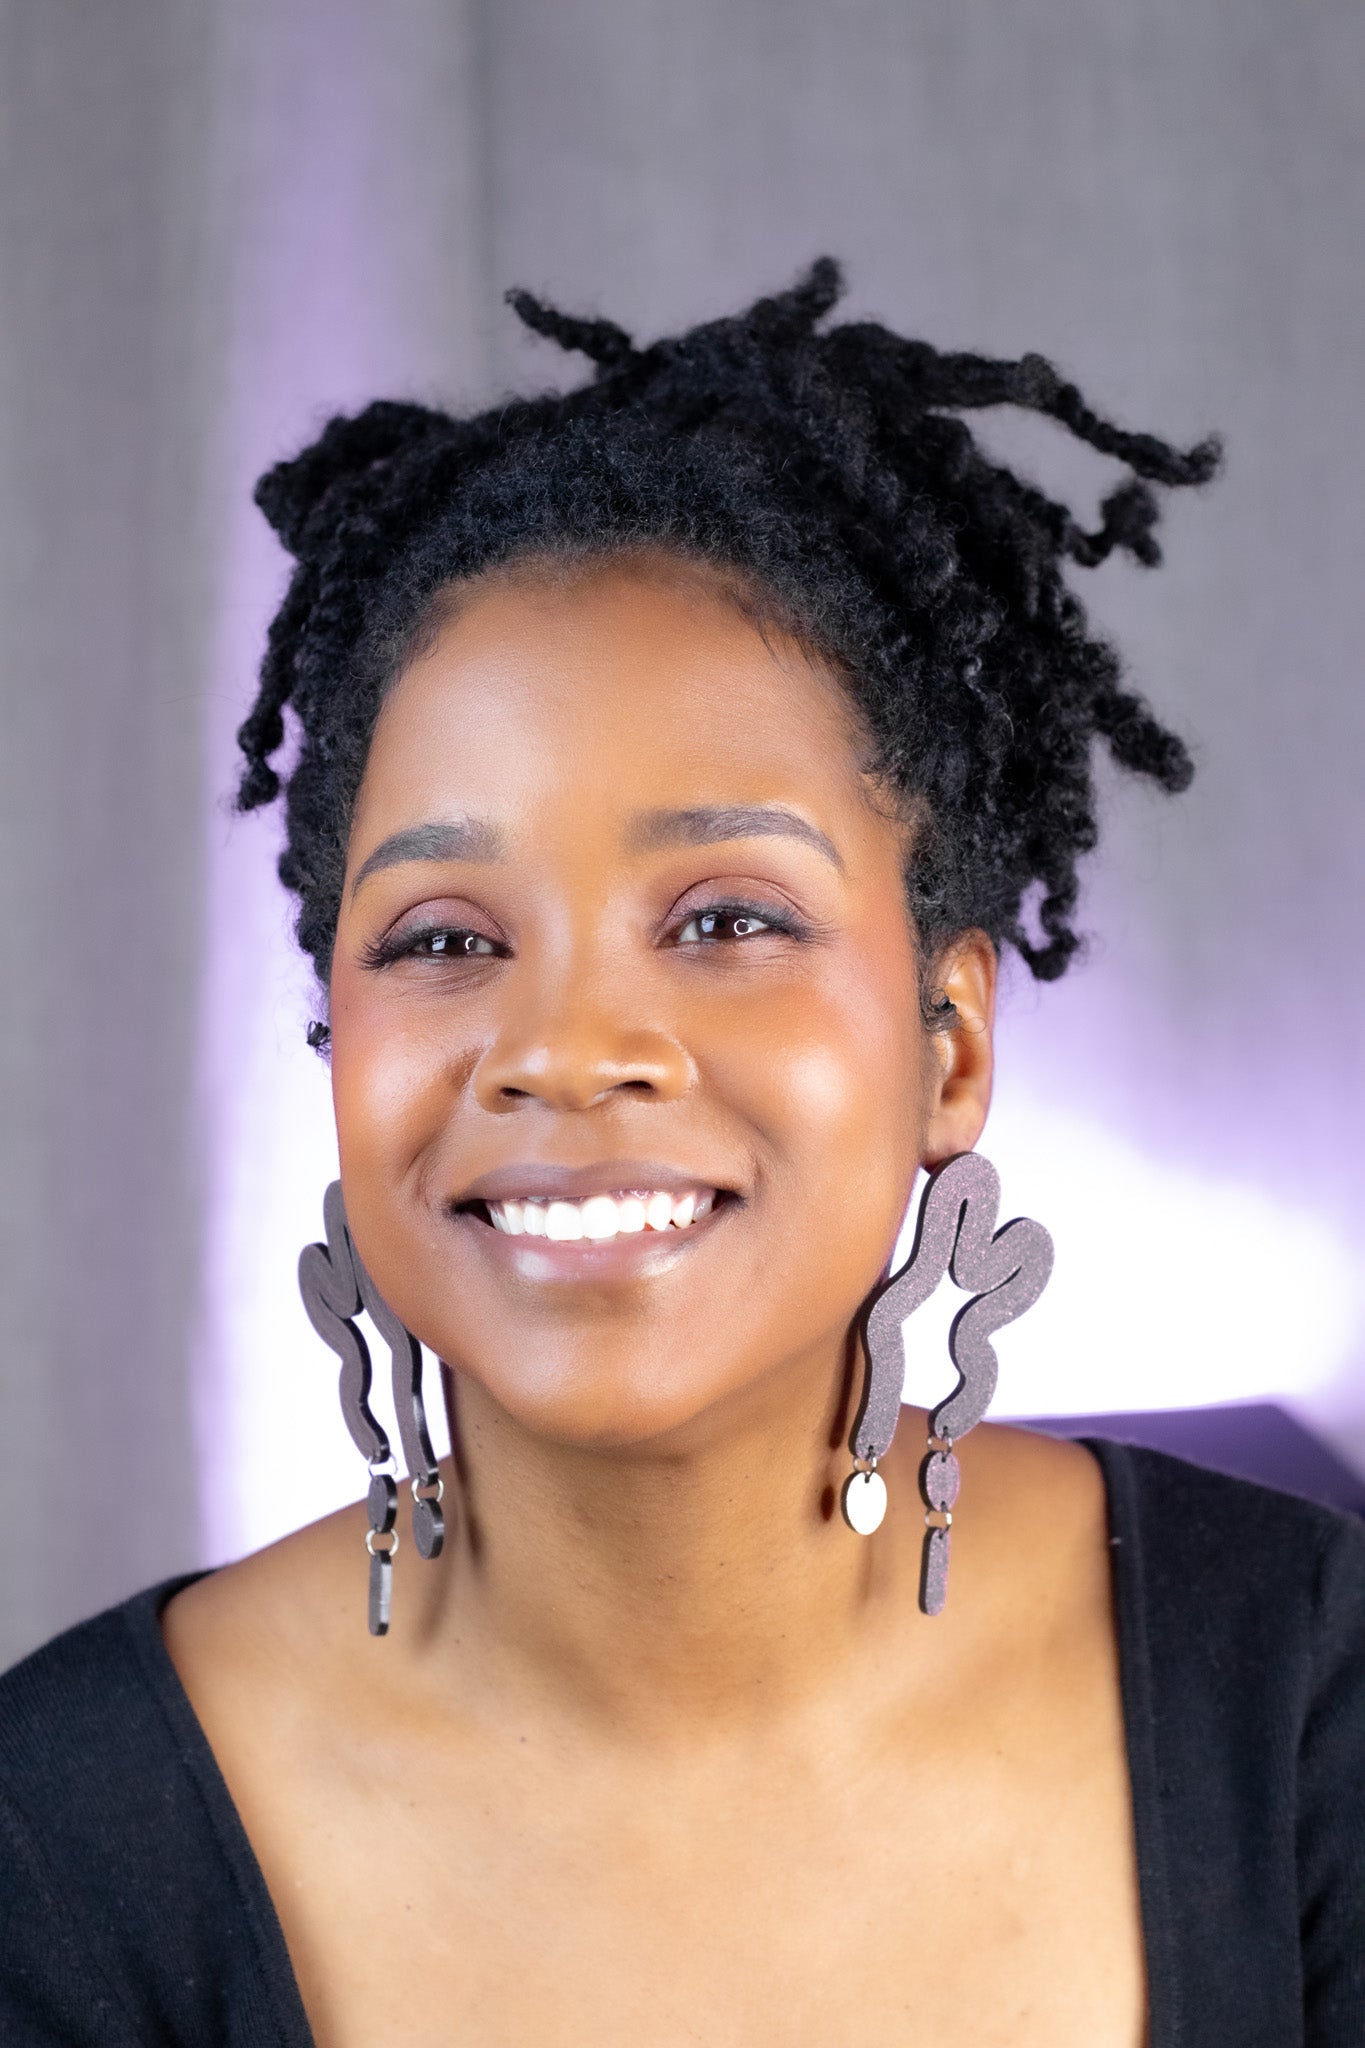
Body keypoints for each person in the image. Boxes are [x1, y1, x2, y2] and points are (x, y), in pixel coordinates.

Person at [1, 260, 1361, 2047]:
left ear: (947, 1041)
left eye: (725, 917)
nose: (566, 1048)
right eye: (439, 937)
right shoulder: (64, 1841)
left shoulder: (1300, 1710)